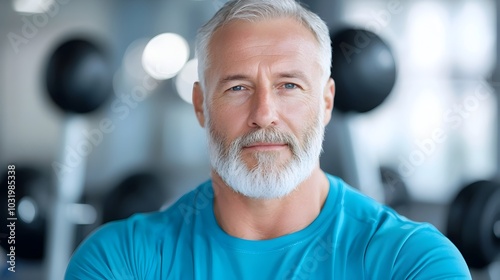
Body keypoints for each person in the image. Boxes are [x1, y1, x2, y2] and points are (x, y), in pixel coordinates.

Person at [65, 0, 471, 279]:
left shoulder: (411, 261)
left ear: (326, 102)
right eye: (238, 88)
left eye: (289, 86)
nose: (263, 114)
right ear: (201, 105)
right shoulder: (121, 261)